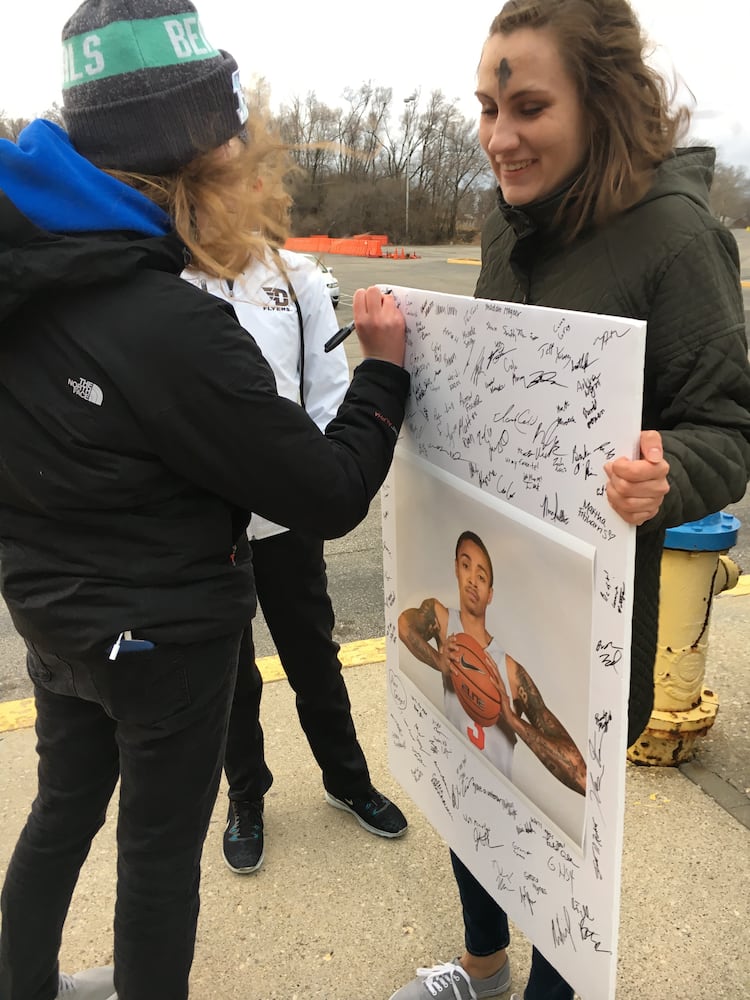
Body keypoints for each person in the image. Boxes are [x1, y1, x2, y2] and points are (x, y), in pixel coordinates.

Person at [0, 2, 409, 999]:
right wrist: (384, 375)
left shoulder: (26, 269)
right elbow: (326, 492)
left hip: (52, 615)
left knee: (61, 812)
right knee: (154, 857)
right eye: (234, 146)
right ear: (192, 160)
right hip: (162, 644)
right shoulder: (171, 326)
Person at [389, 2, 750, 999]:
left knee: (555, 843)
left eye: (530, 106)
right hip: (485, 592)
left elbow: (730, 430)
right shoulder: (508, 226)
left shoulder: (679, 242)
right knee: (471, 791)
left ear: (601, 104)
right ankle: (480, 966)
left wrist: (667, 467)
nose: (500, 135)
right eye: (487, 105)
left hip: (584, 626)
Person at [183, 249, 407, 876]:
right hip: (205, 523)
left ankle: (347, 780)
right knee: (229, 674)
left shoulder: (297, 276)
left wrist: (312, 486)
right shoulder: (165, 273)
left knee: (313, 658)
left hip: (286, 516)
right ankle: (246, 797)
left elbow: (330, 392)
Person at [398, 530, 586, 795]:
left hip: (498, 798)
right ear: (456, 570)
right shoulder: (442, 621)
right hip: (456, 780)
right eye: (466, 566)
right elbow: (405, 626)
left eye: (482, 576)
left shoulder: (511, 673)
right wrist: (439, 661)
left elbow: (580, 774)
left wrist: (515, 722)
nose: (473, 580)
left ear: (490, 594)